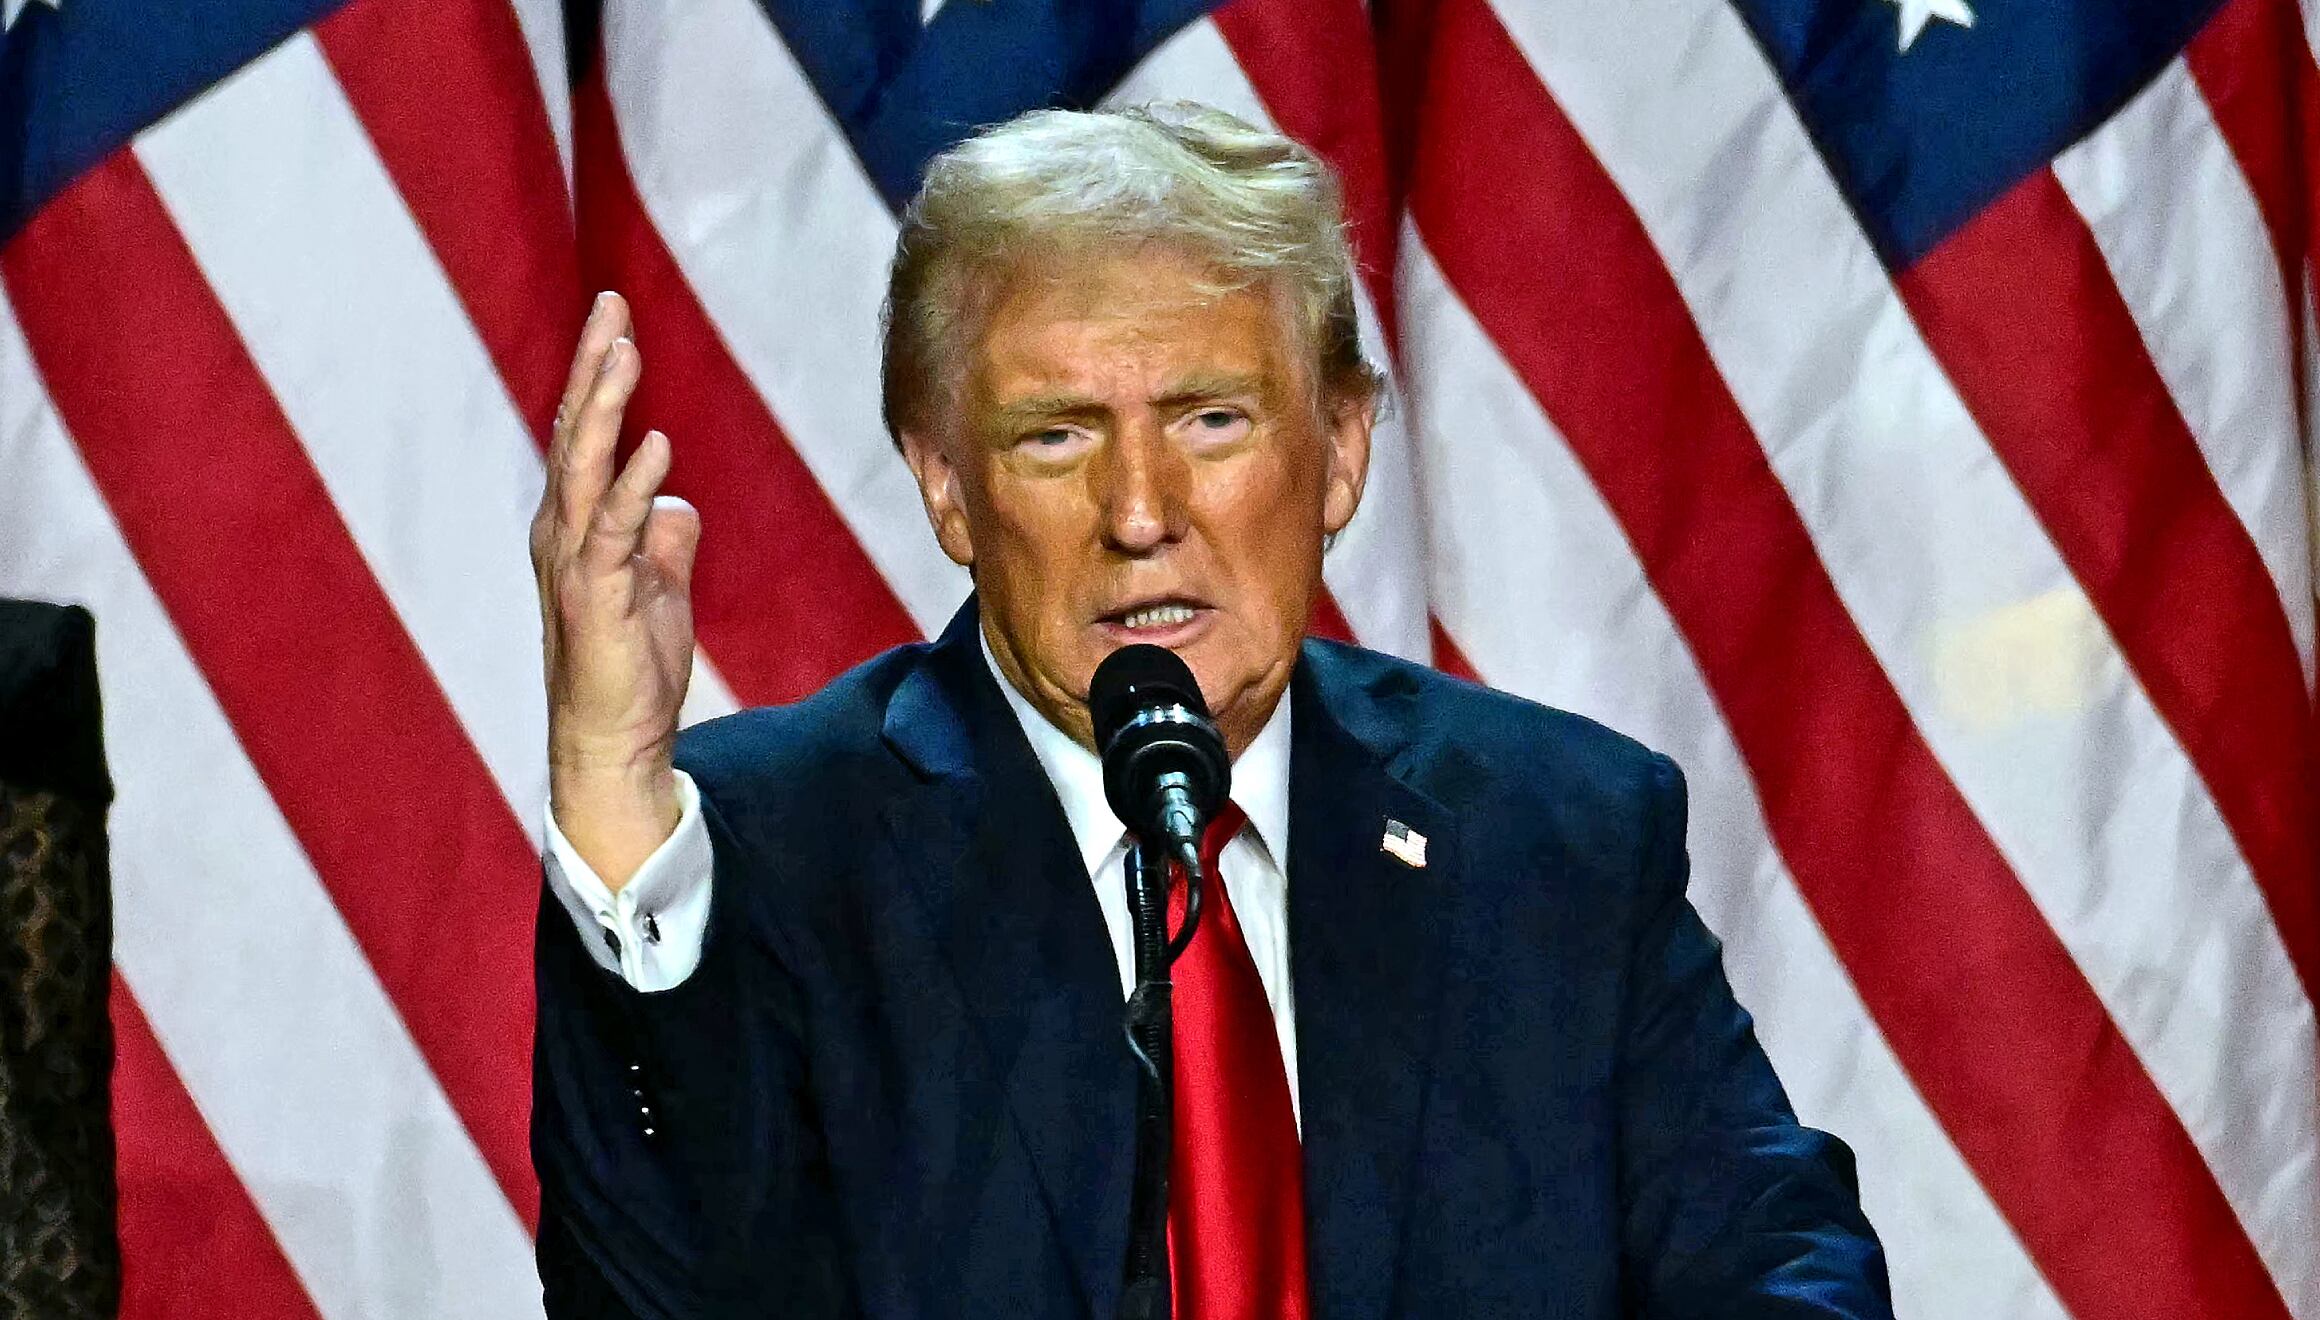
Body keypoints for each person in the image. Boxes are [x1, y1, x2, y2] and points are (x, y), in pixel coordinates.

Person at [528, 104, 1891, 1319]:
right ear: (947, 484)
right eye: (1055, 433)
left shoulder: (1558, 834)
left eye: (1214, 421)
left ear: (1343, 450)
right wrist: (608, 783)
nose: (1141, 513)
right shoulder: (775, 847)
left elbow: (1782, 1263)